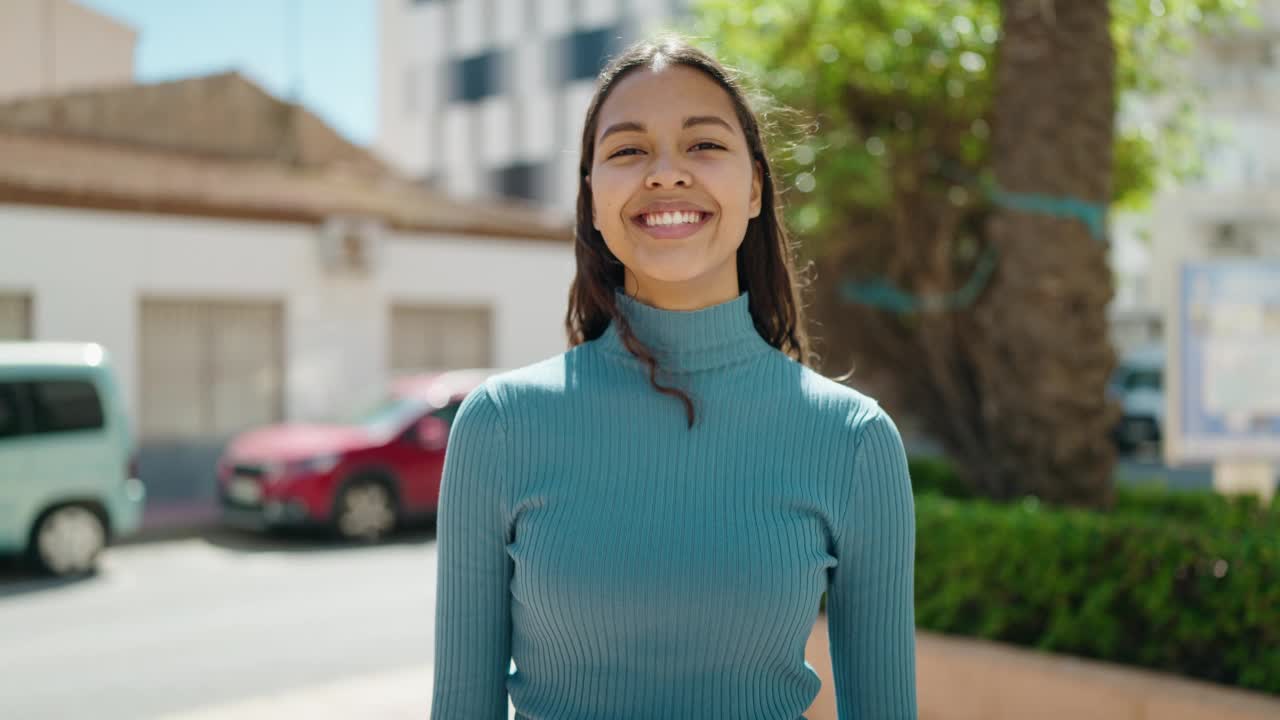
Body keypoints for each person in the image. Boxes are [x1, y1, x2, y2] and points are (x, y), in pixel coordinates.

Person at [431, 33, 917, 720]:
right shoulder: (500, 426)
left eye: (704, 145)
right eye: (628, 150)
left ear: (754, 187)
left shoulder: (854, 441)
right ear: (593, 199)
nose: (665, 174)